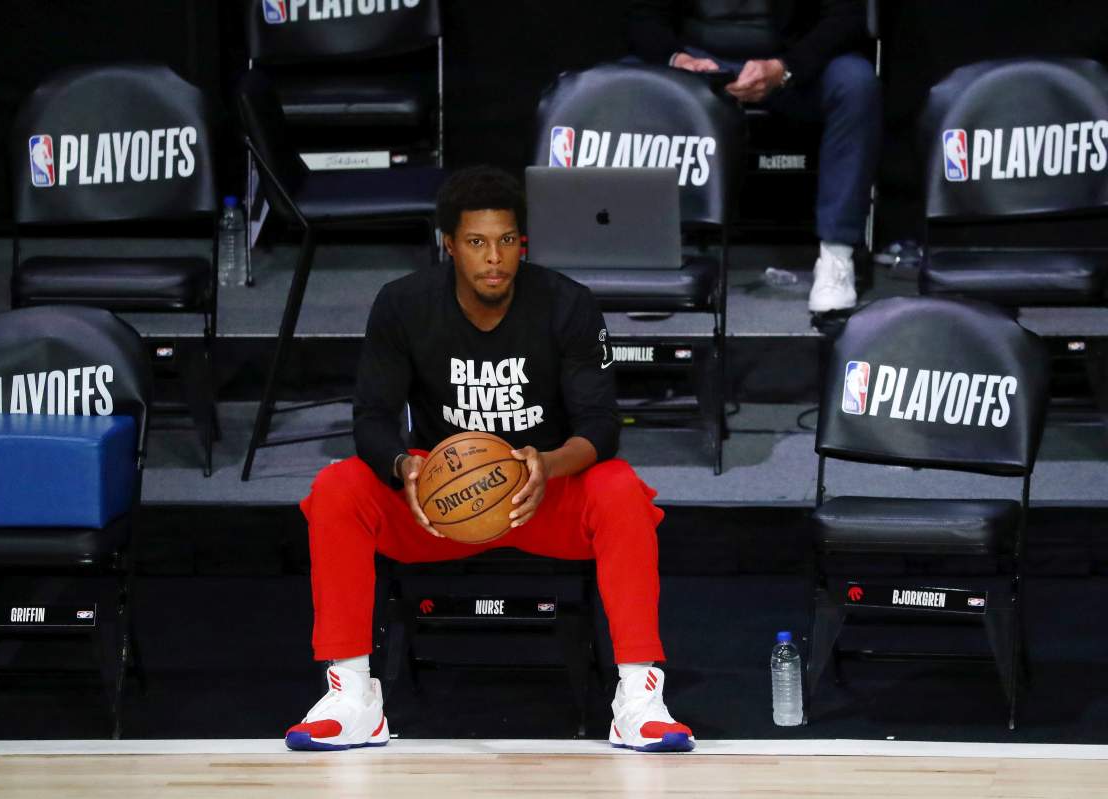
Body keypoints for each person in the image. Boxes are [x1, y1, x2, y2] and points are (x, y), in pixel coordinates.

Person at [287, 166, 694, 753]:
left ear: (522, 243)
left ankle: (639, 697)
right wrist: (406, 469)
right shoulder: (402, 305)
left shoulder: (568, 304)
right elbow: (371, 421)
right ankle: (352, 695)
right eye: (476, 242)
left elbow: (601, 427)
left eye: (506, 240)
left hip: (540, 496)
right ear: (448, 245)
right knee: (337, 489)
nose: (494, 258)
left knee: (620, 489)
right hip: (439, 506)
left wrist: (548, 465)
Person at [628, 0, 881, 314]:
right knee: (627, 81)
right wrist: (676, 58)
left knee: (856, 84)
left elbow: (847, 15)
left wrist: (787, 67)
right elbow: (644, 13)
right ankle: (652, 257)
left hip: (791, 64)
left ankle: (836, 255)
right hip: (698, 61)